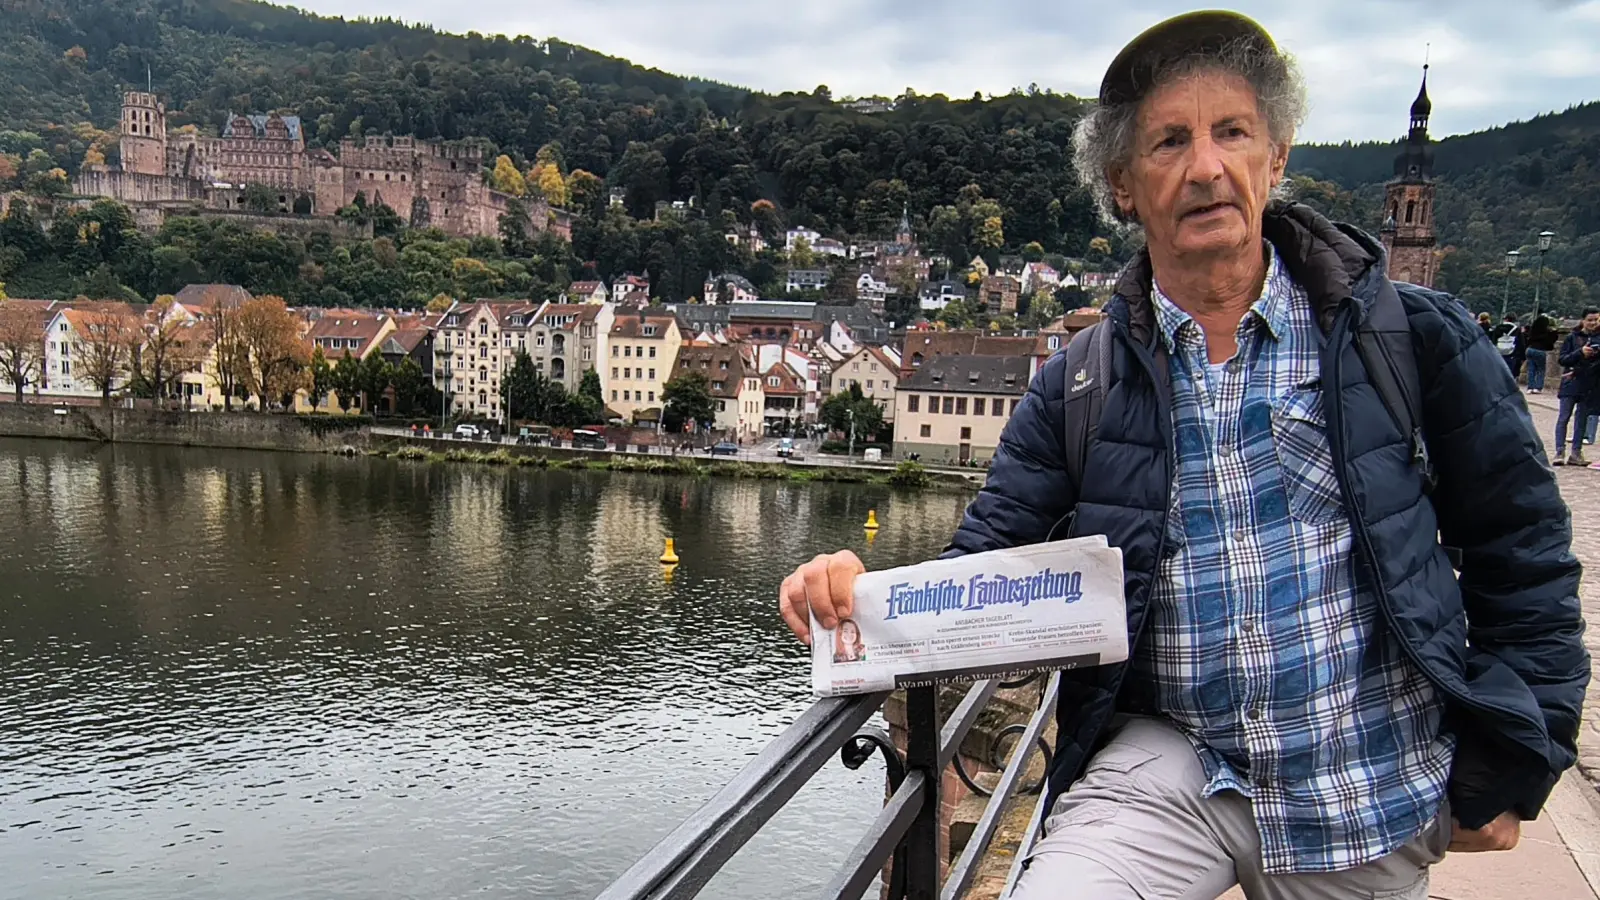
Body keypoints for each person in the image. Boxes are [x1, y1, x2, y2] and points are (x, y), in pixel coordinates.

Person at [777, 11, 1586, 900]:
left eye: (1231, 132)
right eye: (1169, 141)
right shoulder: (1078, 385)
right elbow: (987, 571)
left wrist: (1512, 765)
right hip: (1173, 769)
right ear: (1124, 186)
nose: (1206, 166)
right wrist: (856, 600)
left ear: (1274, 158)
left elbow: (1525, 557)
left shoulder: (1412, 338)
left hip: (1362, 778)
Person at [1555, 309, 1600, 466]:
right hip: (1570, 384)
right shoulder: (1572, 337)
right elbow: (1562, 359)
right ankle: (1559, 451)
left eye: (1596, 319)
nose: (1593, 323)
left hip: (1589, 384)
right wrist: (1580, 353)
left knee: (1581, 420)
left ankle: (1576, 453)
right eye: (1590, 320)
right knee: (1564, 417)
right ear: (1583, 320)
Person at [1525, 314, 1556, 393]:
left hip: (1530, 349)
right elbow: (1551, 342)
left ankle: (1530, 387)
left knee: (1531, 369)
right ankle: (1538, 387)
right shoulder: (1546, 332)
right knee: (1541, 369)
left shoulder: (1533, 330)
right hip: (1540, 350)